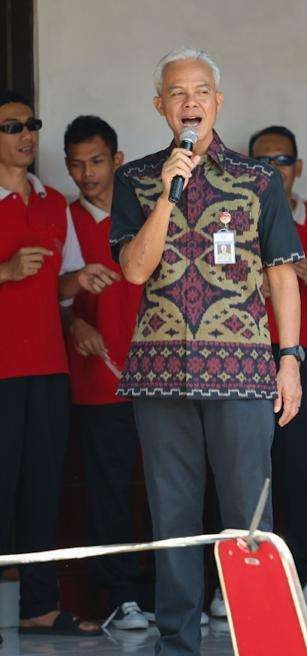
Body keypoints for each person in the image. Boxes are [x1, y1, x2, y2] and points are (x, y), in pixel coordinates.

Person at [111, 48, 303, 656]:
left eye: (200, 91)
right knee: (172, 519)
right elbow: (135, 269)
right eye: (176, 92)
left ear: (218, 102)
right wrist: (169, 194)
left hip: (245, 372)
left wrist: (291, 359)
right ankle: (177, 655)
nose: (189, 102)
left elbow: (282, 276)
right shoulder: (138, 177)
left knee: (250, 517)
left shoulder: (257, 179)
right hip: (160, 374)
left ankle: (269, 654)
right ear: (160, 105)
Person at [0, 90, 114, 644]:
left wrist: (81, 278)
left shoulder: (51, 204)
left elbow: (61, 287)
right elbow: (16, 274)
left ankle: (40, 607)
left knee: (42, 489)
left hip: (48, 366)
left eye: (31, 125)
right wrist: (4, 270)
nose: (25, 135)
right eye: (12, 126)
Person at [242, 124, 307, 615]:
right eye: (261, 161)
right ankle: (243, 583)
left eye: (281, 160)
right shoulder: (236, 215)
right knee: (250, 470)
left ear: (297, 168)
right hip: (249, 359)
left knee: (306, 467)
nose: (272, 169)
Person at [63, 114, 150, 630]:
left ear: (117, 161)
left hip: (158, 375)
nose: (86, 173)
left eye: (96, 161)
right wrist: (73, 321)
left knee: (166, 492)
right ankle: (121, 598)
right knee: (110, 490)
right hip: (99, 378)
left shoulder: (145, 214)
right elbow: (50, 297)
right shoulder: (63, 219)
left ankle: (169, 595)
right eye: (76, 164)